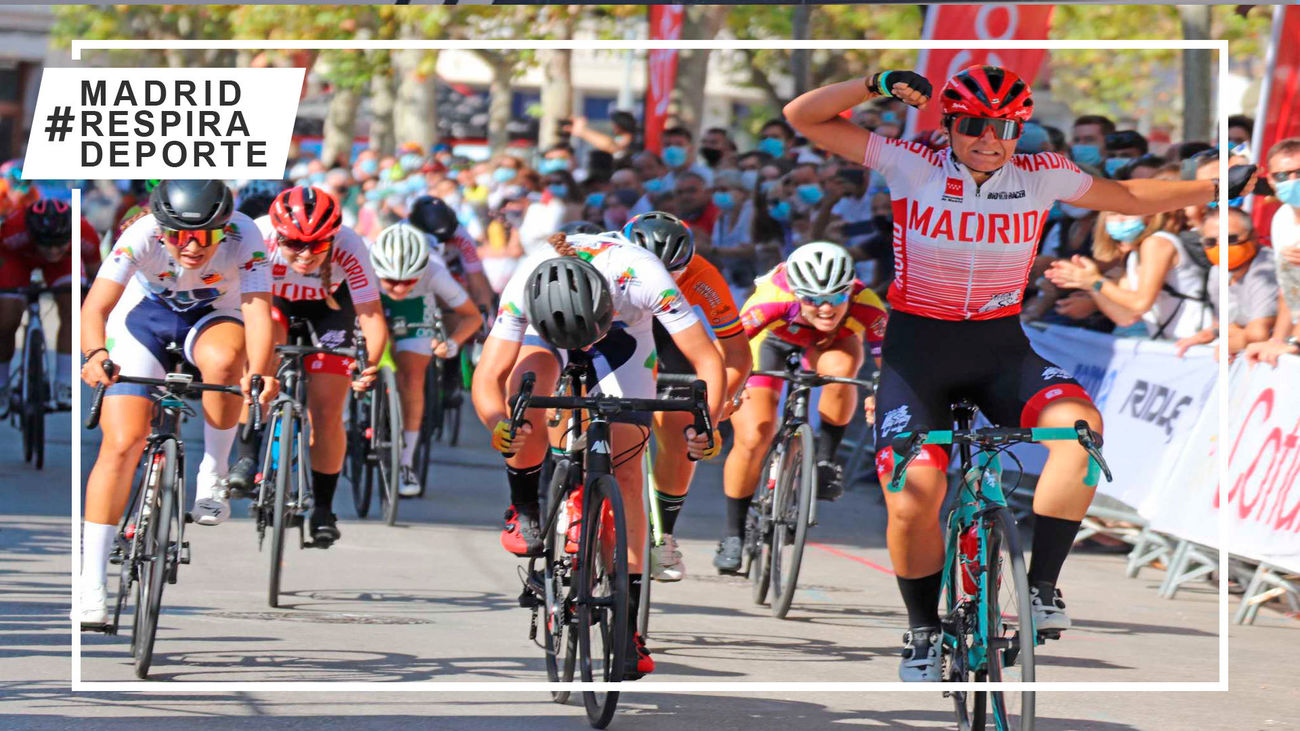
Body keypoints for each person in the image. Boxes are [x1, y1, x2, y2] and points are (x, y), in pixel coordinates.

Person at [785, 64, 1237, 681]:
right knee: (914, 493)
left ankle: (1042, 589)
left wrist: (1213, 191)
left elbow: (1128, 198)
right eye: (972, 124)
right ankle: (922, 633)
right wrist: (875, 85)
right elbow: (803, 117)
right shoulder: (910, 163)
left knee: (1080, 431)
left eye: (1004, 126)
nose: (988, 137)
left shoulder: (1042, 175)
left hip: (1001, 346)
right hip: (919, 350)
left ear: (1019, 130)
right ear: (949, 125)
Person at [471, 230, 724, 679]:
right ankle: (525, 504)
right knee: (524, 402)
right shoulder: (525, 281)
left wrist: (709, 422)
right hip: (544, 333)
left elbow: (708, 361)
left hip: (624, 338)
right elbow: (489, 375)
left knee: (626, 477)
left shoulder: (643, 276)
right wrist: (498, 425)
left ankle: (627, 630)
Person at [78, 180, 276, 626]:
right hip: (143, 322)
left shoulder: (246, 235)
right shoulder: (141, 234)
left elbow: (259, 308)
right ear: (161, 229)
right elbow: (94, 309)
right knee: (123, 443)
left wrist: (260, 370)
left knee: (226, 361)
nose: (191, 246)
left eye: (205, 235)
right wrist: (95, 355)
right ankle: (91, 582)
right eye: (178, 236)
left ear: (223, 229)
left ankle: (214, 470)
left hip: (212, 319)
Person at [230, 186, 389, 548]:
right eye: (294, 245)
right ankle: (246, 457)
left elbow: (370, 315)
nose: (304, 255)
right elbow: (240, 301)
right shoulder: (259, 236)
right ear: (277, 235)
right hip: (274, 303)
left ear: (332, 238)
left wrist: (370, 364)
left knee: (328, 408)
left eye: (317, 246)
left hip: (331, 310)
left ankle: (323, 508)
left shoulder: (351, 245)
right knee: (259, 365)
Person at [713, 243, 886, 573]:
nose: (824, 308)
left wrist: (881, 394)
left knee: (841, 373)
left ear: (850, 290)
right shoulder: (770, 300)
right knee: (754, 435)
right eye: (812, 299)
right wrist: (726, 390)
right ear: (795, 292)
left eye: (836, 298)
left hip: (834, 343)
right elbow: (728, 352)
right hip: (771, 342)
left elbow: (888, 364)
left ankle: (825, 460)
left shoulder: (867, 304)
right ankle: (732, 534)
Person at [622, 212, 752, 580]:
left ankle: (662, 533)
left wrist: (713, 411)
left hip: (672, 337)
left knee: (683, 435)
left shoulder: (702, 275)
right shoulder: (609, 260)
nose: (660, 281)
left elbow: (737, 353)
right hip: (612, 328)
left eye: (672, 274)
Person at [370, 222, 483, 496]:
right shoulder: (365, 265)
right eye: (391, 281)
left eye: (407, 281)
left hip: (415, 310)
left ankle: (406, 462)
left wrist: (453, 344)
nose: (398, 287)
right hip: (371, 303)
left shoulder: (434, 270)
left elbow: (472, 316)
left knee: (412, 377)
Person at [1046, 204, 1212, 340]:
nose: (1120, 219)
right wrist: (1089, 285)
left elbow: (1141, 302)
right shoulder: (1133, 256)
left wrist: (1096, 281)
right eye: (1113, 213)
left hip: (1202, 343)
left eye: (1129, 213)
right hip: (1176, 346)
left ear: (1149, 216)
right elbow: (1126, 317)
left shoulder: (1157, 242)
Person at [0, 200, 102, 409]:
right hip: (17, 260)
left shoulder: (84, 232)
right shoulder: (12, 230)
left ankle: (64, 383)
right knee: (6, 319)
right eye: (46, 243)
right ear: (32, 235)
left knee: (73, 306)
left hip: (66, 263)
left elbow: (97, 276)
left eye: (59, 243)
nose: (53, 250)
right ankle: (1, 385)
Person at [1176, 206, 1277, 358]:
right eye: (1210, 242)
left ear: (1254, 236)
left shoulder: (1266, 269)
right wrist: (1205, 335)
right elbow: (1222, 325)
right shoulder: (1217, 271)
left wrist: (1228, 344)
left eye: (1230, 239)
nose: (1221, 247)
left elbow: (1258, 334)